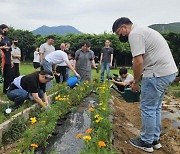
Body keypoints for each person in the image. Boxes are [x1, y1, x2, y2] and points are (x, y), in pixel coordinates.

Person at [112, 17, 178, 152]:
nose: (120, 36)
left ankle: (146, 142)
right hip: (167, 73)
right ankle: (154, 140)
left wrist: (136, 82)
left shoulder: (134, 34)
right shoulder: (143, 31)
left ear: (124, 27)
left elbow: (138, 61)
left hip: (156, 74)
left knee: (147, 108)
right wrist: (137, 78)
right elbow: (147, 59)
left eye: (119, 33)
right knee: (155, 108)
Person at [0, 24, 13, 94]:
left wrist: (11, 60)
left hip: (7, 59)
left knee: (8, 75)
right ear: (1, 29)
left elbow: (10, 50)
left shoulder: (7, 39)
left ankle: (6, 89)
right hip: (1, 59)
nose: (6, 31)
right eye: (5, 30)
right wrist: (2, 47)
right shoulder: (0, 38)